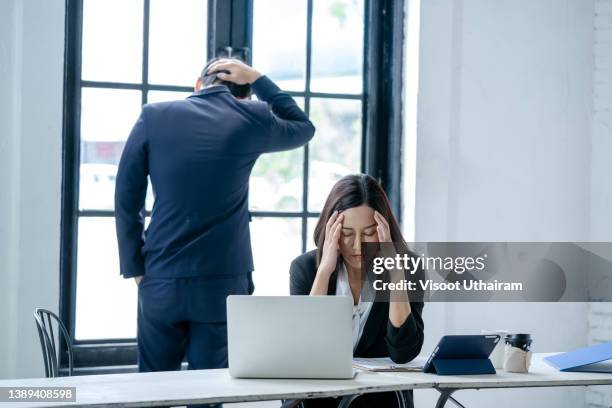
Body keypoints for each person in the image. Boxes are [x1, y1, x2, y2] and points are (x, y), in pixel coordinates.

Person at [115, 58, 315, 379]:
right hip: (223, 282)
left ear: (198, 85)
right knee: (210, 390)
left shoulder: (153, 116)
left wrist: (135, 267)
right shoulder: (251, 116)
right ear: (245, 95)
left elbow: (127, 197)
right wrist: (259, 78)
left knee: (152, 389)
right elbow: (304, 127)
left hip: (161, 276)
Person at [289, 174, 424, 408]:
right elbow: (303, 348)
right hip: (319, 398)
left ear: (384, 230)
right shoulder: (305, 269)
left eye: (369, 233)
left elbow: (403, 353)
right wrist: (323, 273)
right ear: (330, 230)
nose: (357, 245)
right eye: (347, 233)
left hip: (380, 400)